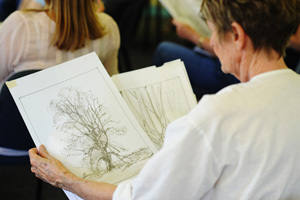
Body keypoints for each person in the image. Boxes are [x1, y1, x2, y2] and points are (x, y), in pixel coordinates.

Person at [29, 0, 300, 199]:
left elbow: (138, 198)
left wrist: (67, 180)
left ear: (238, 35)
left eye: (214, 31)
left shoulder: (218, 115)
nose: (213, 42)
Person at [0, 0, 120, 88]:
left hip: (17, 120)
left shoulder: (22, 25)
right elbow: (112, 83)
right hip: (80, 118)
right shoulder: (108, 26)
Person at [153, 19, 239, 99]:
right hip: (224, 68)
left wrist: (193, 36)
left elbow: (225, 49)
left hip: (226, 75)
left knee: (163, 51)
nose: (212, 41)